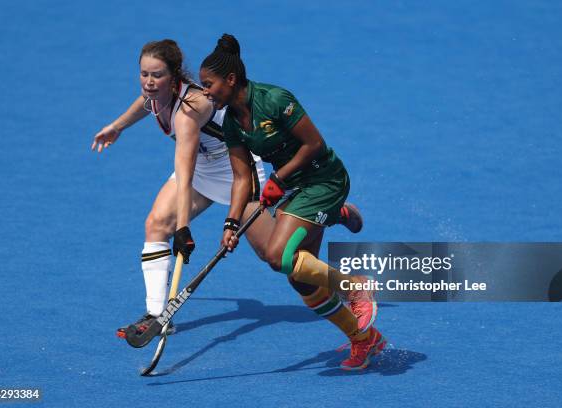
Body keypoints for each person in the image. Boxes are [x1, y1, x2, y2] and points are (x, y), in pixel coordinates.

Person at [91, 39, 363, 338]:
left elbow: (184, 174)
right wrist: (118, 126)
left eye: (157, 75)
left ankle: (332, 212)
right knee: (156, 223)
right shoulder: (156, 94)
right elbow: (146, 102)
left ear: (175, 77)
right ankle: (158, 316)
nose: (150, 82)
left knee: (274, 255)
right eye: (144, 74)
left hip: (237, 171)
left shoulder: (189, 111)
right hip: (203, 170)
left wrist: (183, 229)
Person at [199, 34, 385, 371]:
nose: (205, 92)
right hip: (297, 191)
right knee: (300, 277)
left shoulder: (274, 99)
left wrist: (279, 179)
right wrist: (230, 223)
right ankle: (365, 341)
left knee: (278, 255)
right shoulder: (230, 124)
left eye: (209, 84)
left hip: (325, 181)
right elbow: (242, 179)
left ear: (230, 79)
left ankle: (355, 287)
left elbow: (314, 144)